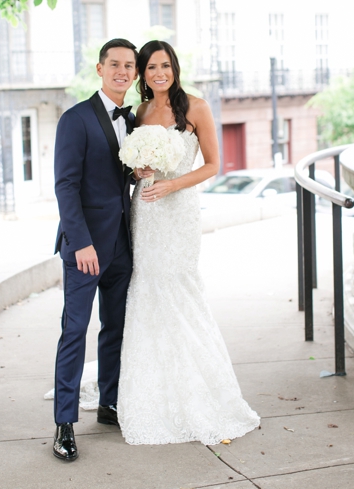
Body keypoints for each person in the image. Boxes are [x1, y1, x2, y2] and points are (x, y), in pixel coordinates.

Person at [117, 39, 260, 445]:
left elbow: (214, 164)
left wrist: (172, 184)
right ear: (143, 75)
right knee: (146, 288)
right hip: (144, 210)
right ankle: (151, 386)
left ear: (174, 68)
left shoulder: (196, 107)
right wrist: (140, 171)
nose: (158, 73)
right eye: (150, 68)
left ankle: (200, 389)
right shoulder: (141, 111)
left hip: (177, 211)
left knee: (180, 288)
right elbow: (133, 167)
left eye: (165, 65)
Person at [52, 38, 138, 461]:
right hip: (85, 247)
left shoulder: (135, 120)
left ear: (135, 74)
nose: (122, 71)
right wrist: (81, 241)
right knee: (74, 331)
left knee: (116, 328)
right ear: (100, 69)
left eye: (129, 66)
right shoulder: (75, 119)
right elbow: (65, 185)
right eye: (114, 64)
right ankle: (64, 423)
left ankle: (110, 403)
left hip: (122, 244)